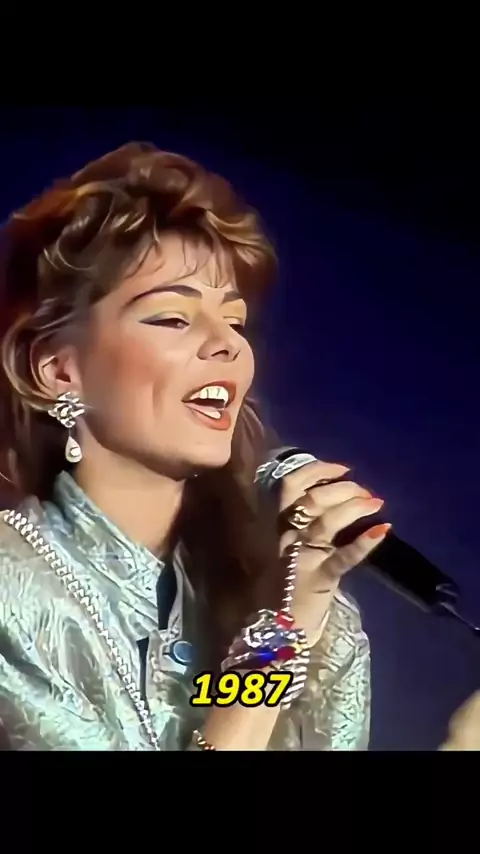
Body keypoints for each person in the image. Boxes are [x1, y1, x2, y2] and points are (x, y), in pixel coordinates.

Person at [0, 142, 390, 751]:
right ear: (58, 370)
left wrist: (296, 617)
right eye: (173, 319)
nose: (228, 345)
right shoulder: (14, 590)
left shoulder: (279, 593)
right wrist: (280, 636)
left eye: (234, 322)